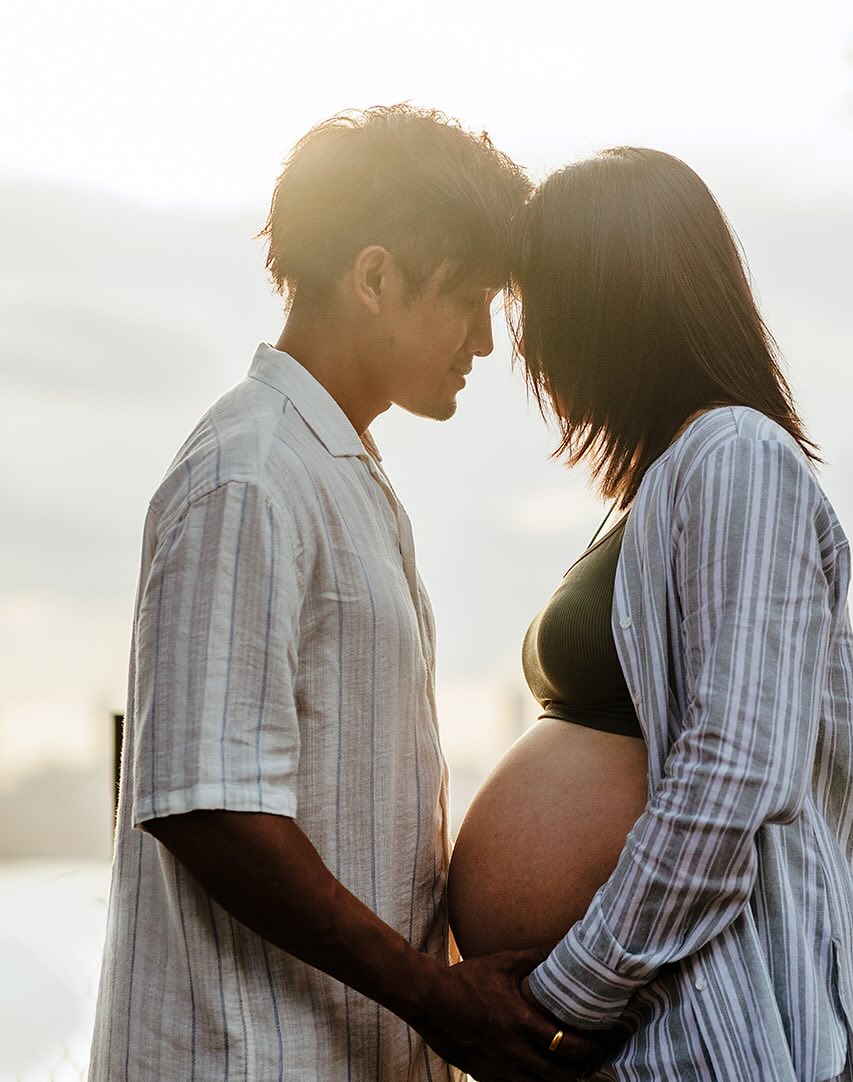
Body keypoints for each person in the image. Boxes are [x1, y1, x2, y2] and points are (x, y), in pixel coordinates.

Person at [89, 106, 608, 1082]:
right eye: (470, 299)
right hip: (244, 1059)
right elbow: (209, 805)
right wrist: (431, 992)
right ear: (374, 277)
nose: (486, 344)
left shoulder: (338, 474)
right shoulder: (248, 475)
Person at [447, 148, 853, 1080]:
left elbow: (735, 771)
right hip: (654, 1031)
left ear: (610, 301)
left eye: (539, 306)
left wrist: (564, 995)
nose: (524, 347)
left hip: (725, 1028)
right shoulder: (666, 480)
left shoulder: (734, 455)